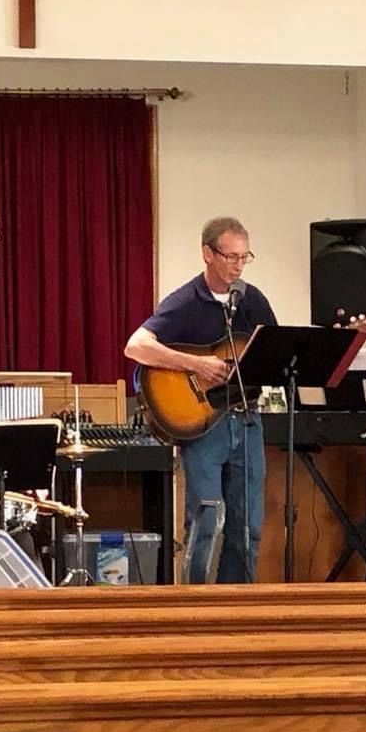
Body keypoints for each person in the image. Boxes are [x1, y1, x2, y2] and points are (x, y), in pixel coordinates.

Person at [124, 216, 277, 584]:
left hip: (247, 419)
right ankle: (193, 600)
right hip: (204, 425)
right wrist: (196, 364)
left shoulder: (252, 300)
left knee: (248, 526)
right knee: (206, 520)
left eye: (244, 257)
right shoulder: (186, 301)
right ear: (208, 254)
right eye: (230, 256)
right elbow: (136, 346)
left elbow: (272, 348)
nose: (238, 265)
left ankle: (234, 603)